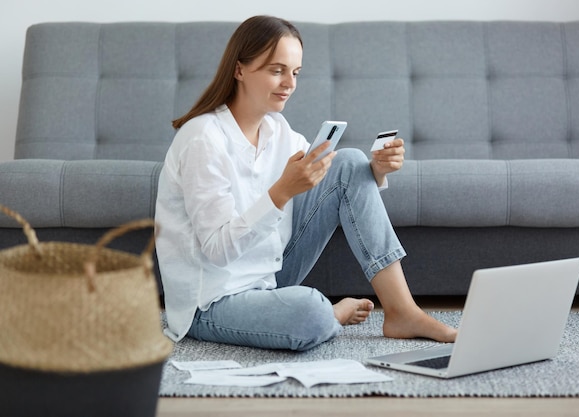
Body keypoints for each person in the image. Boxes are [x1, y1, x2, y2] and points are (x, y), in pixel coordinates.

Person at [155, 15, 457, 351]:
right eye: (276, 70)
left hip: (268, 278)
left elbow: (343, 183)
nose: (289, 83)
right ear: (239, 70)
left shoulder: (277, 130)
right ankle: (331, 313)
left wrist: (378, 169)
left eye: (295, 72)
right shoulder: (203, 138)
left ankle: (402, 311)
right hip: (212, 300)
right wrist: (282, 191)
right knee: (311, 313)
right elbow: (216, 250)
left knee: (352, 162)